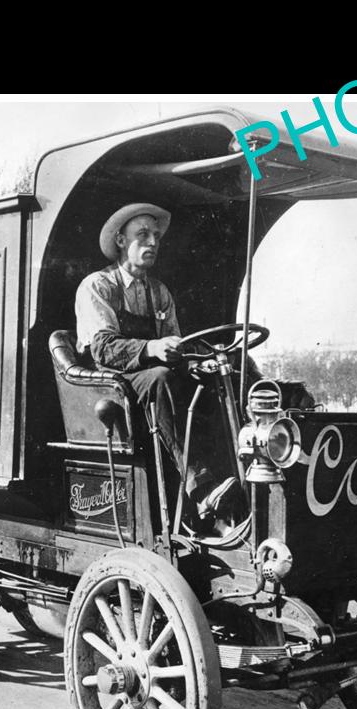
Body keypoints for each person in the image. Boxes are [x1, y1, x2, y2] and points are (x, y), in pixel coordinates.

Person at [74, 202, 240, 529]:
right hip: (110, 383)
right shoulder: (96, 286)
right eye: (143, 235)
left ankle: (233, 481)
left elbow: (173, 344)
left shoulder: (158, 292)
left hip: (149, 377)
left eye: (156, 237)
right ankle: (202, 489)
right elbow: (103, 349)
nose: (152, 242)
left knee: (216, 379)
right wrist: (153, 347)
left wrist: (193, 363)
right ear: (121, 241)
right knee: (161, 378)